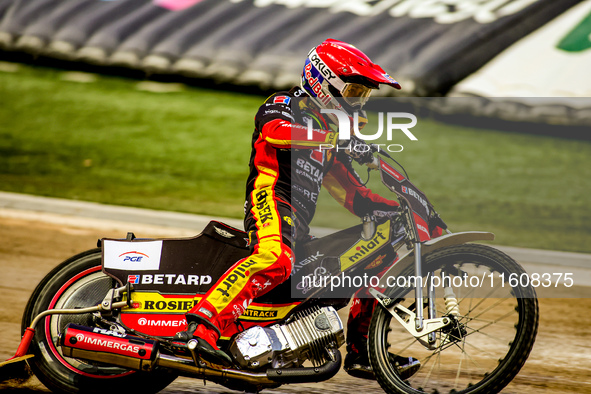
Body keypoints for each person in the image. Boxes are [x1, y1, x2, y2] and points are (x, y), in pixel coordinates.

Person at [175, 39, 426, 379]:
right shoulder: (284, 103)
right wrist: (335, 140)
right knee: (275, 258)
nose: (357, 100)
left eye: (363, 94)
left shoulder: (326, 132)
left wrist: (397, 208)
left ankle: (364, 350)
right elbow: (276, 133)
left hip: (299, 220)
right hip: (270, 198)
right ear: (323, 80)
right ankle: (201, 327)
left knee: (381, 250)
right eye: (353, 90)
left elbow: (350, 192)